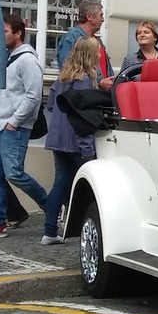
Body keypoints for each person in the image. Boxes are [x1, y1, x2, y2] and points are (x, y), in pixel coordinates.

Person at [0, 14, 50, 238]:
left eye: (5, 31)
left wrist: (14, 123)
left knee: (14, 173)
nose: (1, 36)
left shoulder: (27, 60)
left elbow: (34, 96)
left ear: (18, 33)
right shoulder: (8, 57)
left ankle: (50, 206)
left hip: (13, 126)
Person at [41, 37, 101, 245]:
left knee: (60, 184)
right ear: (90, 55)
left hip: (57, 138)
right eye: (98, 51)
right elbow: (82, 118)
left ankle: (49, 231)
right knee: (91, 187)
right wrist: (88, 152)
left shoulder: (62, 78)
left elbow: (50, 106)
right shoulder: (84, 80)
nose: (100, 55)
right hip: (75, 142)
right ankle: (90, 231)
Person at [56, 0, 112, 78]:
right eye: (101, 15)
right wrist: (100, 82)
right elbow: (68, 71)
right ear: (89, 16)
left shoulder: (97, 40)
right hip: (84, 90)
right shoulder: (71, 38)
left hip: (101, 90)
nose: (102, 19)